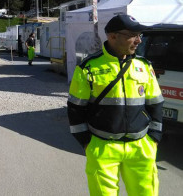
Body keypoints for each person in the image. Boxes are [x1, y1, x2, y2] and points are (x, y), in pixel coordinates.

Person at [67, 14, 163, 196]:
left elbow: (156, 103)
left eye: (140, 35)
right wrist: (87, 143)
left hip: (141, 147)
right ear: (112, 36)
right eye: (133, 35)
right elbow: (75, 108)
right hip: (103, 147)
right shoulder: (88, 67)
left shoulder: (143, 66)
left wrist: (154, 138)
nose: (139, 40)